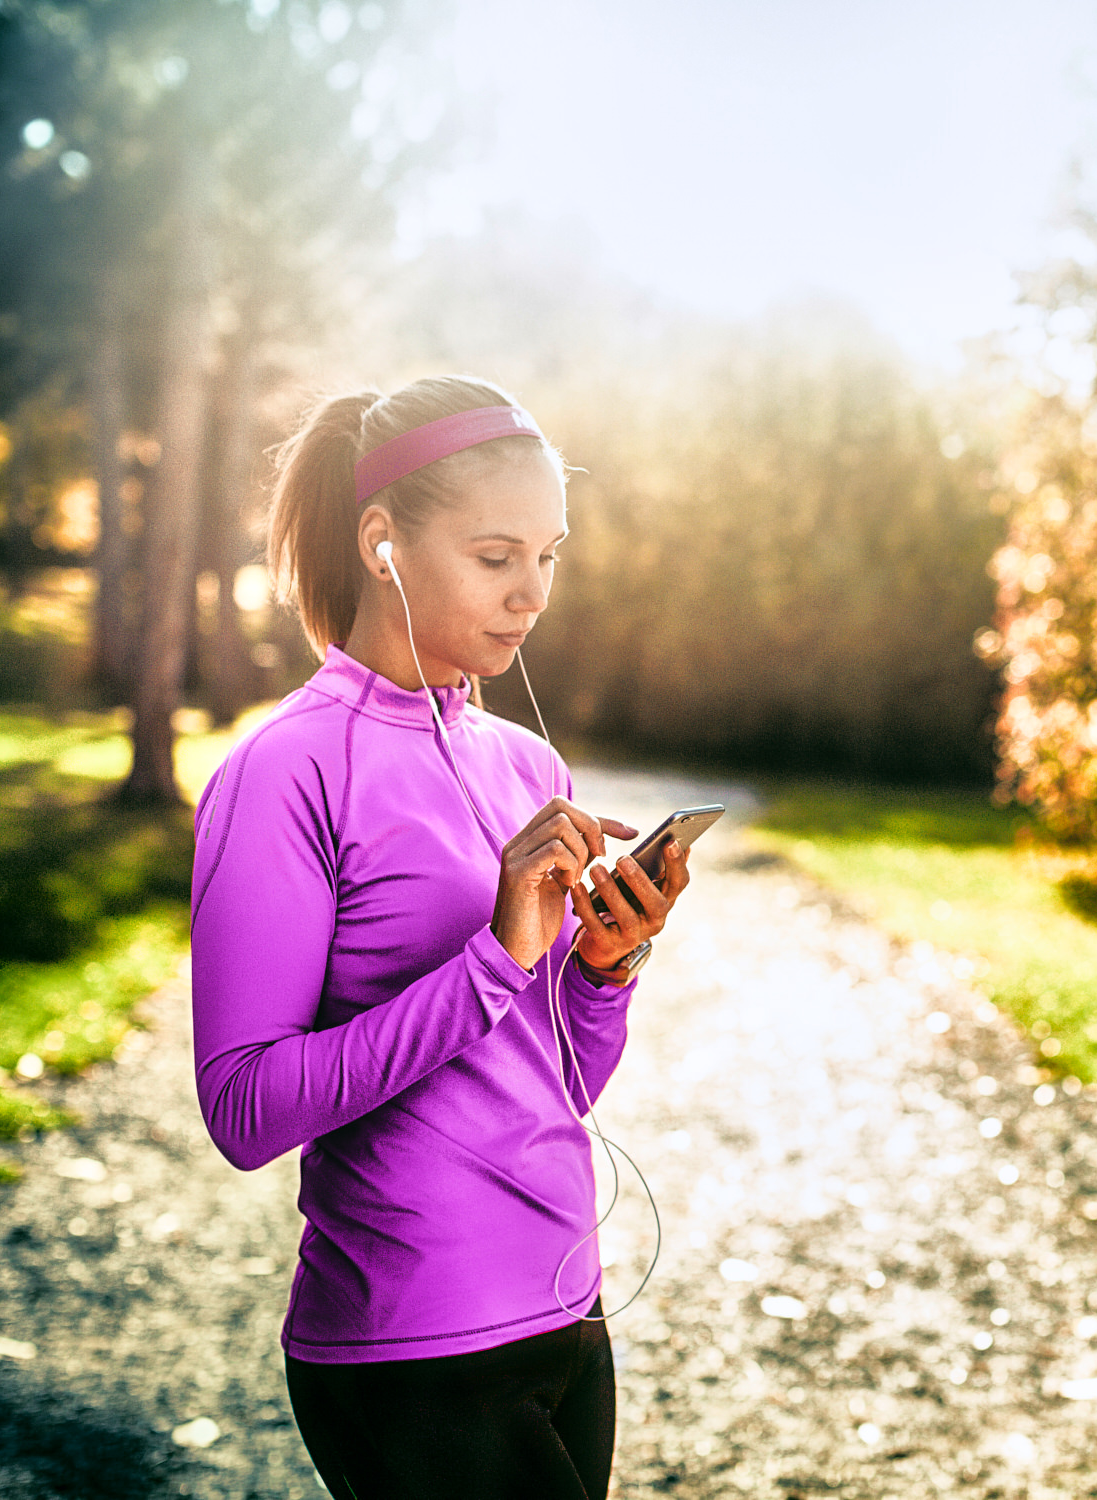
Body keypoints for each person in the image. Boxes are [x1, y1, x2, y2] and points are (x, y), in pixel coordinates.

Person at [188, 375, 686, 1500]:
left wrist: (603, 972)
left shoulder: (526, 766)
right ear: (383, 545)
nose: (532, 595)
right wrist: (497, 956)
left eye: (549, 556)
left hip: (567, 1315)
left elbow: (557, 1082)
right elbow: (245, 1109)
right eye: (496, 556)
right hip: (408, 1349)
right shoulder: (283, 775)